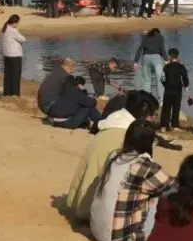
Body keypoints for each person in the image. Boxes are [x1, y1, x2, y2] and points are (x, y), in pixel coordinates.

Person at [66, 90, 161, 221]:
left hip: (85, 199)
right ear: (144, 114)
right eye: (153, 115)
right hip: (102, 210)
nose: (154, 119)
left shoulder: (113, 121)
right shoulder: (127, 134)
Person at [90, 120, 173, 241]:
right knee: (160, 196)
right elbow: (173, 189)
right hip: (122, 239)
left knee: (147, 189)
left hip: (97, 231)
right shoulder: (145, 165)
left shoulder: (114, 156)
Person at [37, 58, 101, 129]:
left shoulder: (56, 73)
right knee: (87, 106)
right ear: (70, 66)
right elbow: (78, 97)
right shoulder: (66, 78)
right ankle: (101, 123)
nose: (73, 71)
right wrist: (85, 95)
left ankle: (95, 122)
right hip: (51, 106)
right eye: (73, 67)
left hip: (46, 105)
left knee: (79, 104)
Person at [160, 47, 189, 131]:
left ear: (169, 56)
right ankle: (175, 125)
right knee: (176, 107)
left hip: (168, 89)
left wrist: (165, 85)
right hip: (177, 89)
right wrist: (186, 86)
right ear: (177, 56)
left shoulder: (166, 67)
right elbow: (185, 77)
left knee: (166, 108)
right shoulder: (181, 66)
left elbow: (162, 78)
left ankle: (163, 126)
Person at [135, 28, 167, 101]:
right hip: (156, 58)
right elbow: (162, 49)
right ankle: (161, 100)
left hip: (146, 58)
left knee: (146, 81)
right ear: (158, 32)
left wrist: (136, 61)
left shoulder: (145, 36)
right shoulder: (160, 36)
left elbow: (140, 48)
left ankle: (146, 100)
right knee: (160, 80)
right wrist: (166, 60)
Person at [1, 14, 25, 97]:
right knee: (15, 75)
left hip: (6, 55)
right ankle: (15, 93)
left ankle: (7, 93)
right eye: (17, 23)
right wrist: (17, 31)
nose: (18, 24)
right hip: (14, 56)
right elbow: (23, 39)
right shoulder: (13, 30)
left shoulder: (5, 29)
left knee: (8, 75)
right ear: (15, 22)